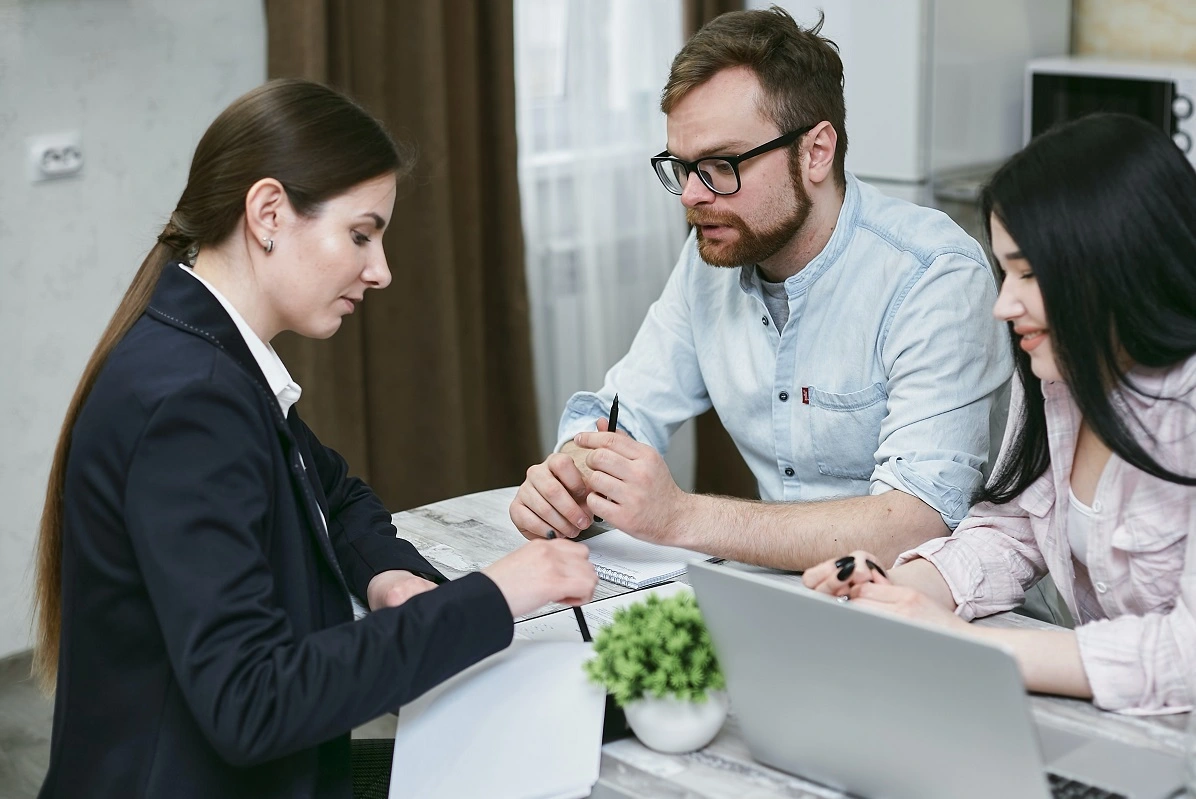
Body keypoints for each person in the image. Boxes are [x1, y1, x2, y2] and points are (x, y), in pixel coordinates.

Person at [32, 79, 597, 798]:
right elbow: (254, 702)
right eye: (361, 234)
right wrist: (494, 593)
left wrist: (385, 572)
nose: (381, 269)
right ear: (268, 212)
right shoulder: (194, 400)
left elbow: (331, 488)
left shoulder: (210, 355)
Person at [510, 7, 1012, 570]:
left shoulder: (933, 275)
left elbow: (918, 520)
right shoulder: (714, 258)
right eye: (681, 167)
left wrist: (679, 517)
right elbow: (623, 411)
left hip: (939, 610)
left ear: (816, 151)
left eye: (722, 165)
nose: (691, 197)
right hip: (786, 600)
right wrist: (572, 471)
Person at [804, 113, 1196, 714]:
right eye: (1004, 270)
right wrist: (897, 591)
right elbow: (1009, 532)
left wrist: (968, 646)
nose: (1003, 304)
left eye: (1029, 274)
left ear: (1116, 262)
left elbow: (1184, 654)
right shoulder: (1059, 378)